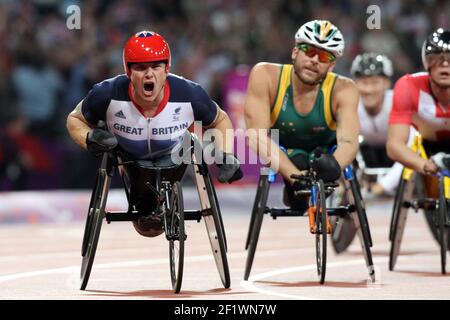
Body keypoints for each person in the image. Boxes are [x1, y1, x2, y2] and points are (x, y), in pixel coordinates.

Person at [67, 31, 242, 237]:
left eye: (156, 66)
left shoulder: (189, 94)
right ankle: (146, 202)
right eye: (140, 68)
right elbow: (75, 119)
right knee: (144, 212)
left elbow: (220, 120)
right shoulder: (107, 93)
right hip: (131, 162)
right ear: (128, 71)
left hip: (175, 161)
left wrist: (226, 154)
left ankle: (163, 200)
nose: (149, 74)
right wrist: (89, 139)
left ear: (167, 68)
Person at [244, 20, 360, 214]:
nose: (314, 60)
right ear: (295, 52)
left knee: (328, 162)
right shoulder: (265, 75)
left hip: (325, 155)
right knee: (297, 162)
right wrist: (295, 176)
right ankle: (295, 192)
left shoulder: (345, 88)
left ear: (331, 65)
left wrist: (334, 165)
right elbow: (255, 136)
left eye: (324, 56)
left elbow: (349, 141)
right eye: (309, 50)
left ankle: (329, 188)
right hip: (287, 155)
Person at [387, 28, 450, 243]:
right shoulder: (408, 86)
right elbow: (394, 145)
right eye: (438, 59)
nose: (445, 64)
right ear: (426, 62)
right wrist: (424, 165)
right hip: (426, 148)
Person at [351, 52, 405, 197]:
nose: (368, 90)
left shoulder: (397, 101)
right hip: (365, 155)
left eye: (375, 82)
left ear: (387, 83)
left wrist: (382, 186)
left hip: (395, 154)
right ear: (355, 82)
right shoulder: (349, 104)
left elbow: (412, 147)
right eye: (364, 82)